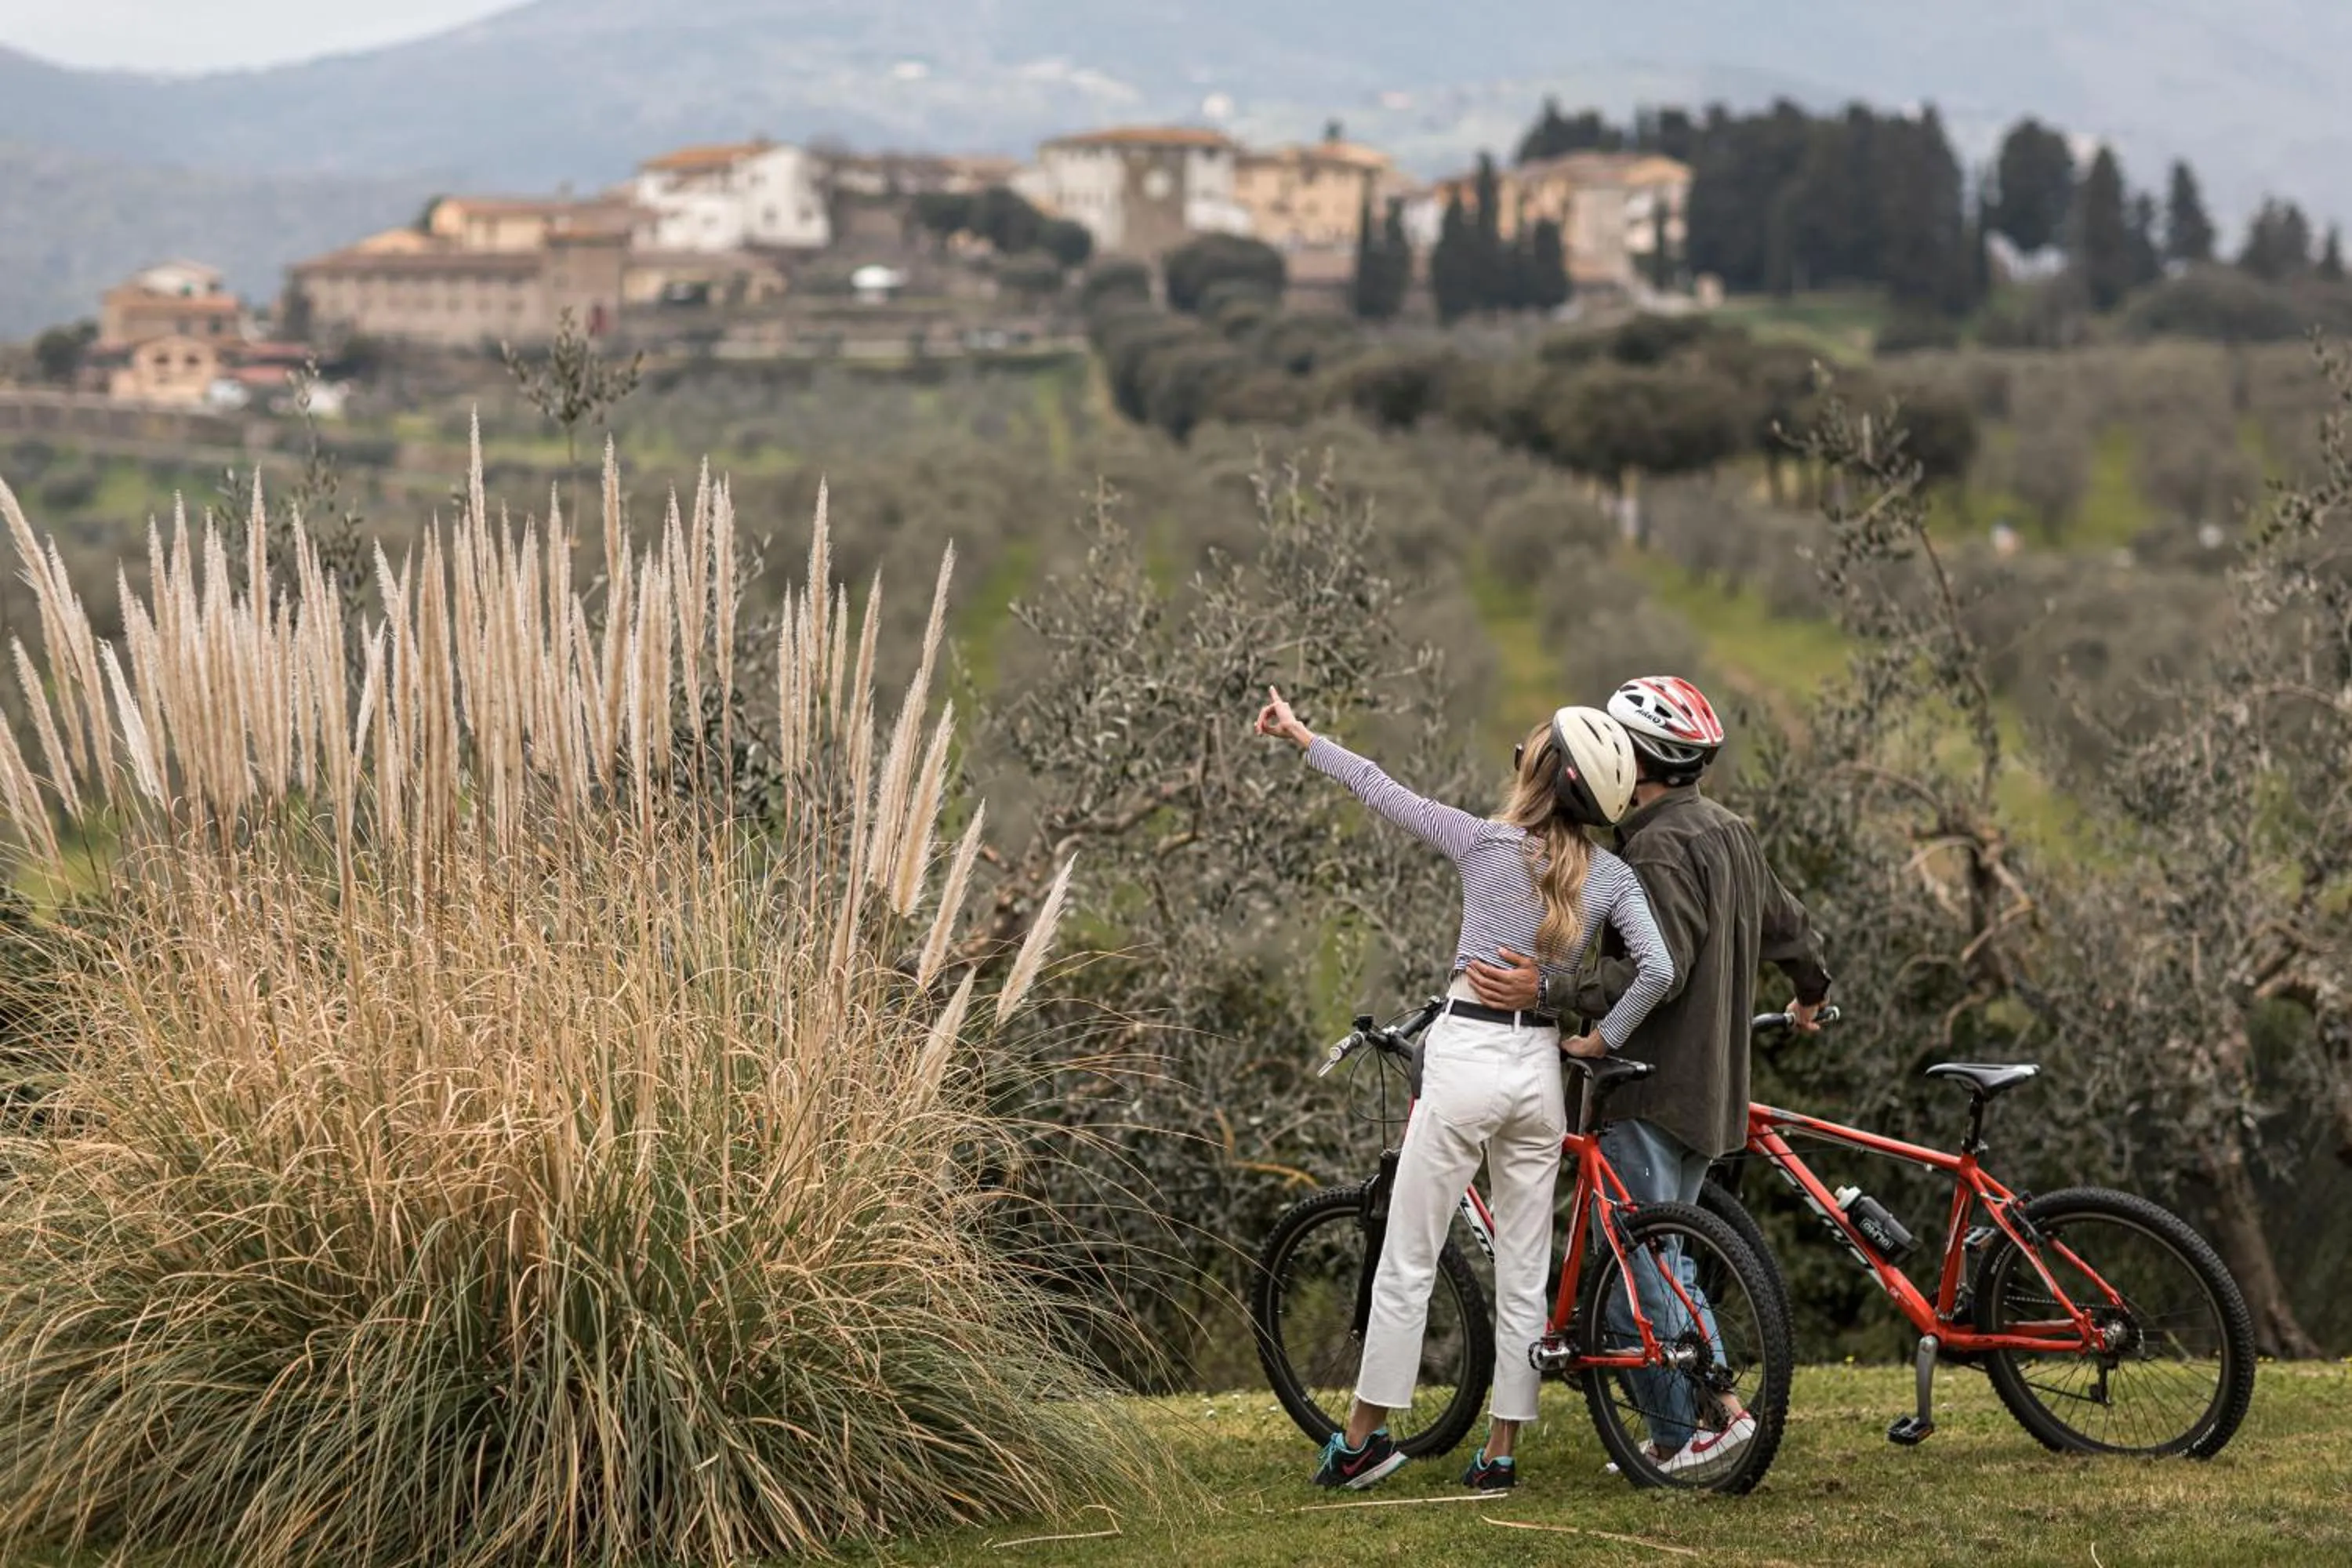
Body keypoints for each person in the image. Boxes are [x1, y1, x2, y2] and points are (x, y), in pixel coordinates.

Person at [1254, 688, 1673, 1492]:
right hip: (1539, 1073)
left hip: (1466, 1056)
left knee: (1409, 1258)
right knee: (1523, 1268)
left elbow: (1379, 787)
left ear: (1542, 778)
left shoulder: (1485, 842)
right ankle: (1502, 1454)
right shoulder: (1614, 875)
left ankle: (1361, 1443)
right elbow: (1657, 968)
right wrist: (1596, 1034)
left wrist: (1302, 732)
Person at [1467, 674, 1829, 1475]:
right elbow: (1793, 928)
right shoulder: (1728, 829)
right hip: (1714, 1090)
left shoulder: (1659, 847)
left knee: (1647, 1264)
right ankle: (1690, 1423)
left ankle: (1697, 1427)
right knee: (1665, 1254)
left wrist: (1549, 989)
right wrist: (1812, 994)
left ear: (1642, 756)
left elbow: (1650, 972)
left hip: (1651, 1083)